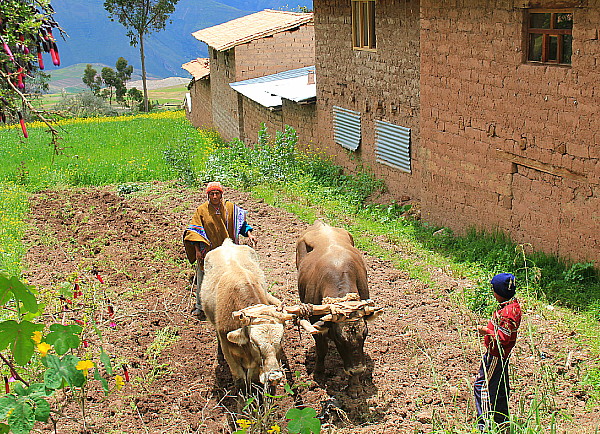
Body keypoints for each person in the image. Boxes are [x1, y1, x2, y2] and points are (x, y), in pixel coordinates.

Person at [183, 181, 257, 318]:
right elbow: (193, 232)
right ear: (208, 196)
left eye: (217, 193)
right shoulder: (202, 211)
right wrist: (198, 251)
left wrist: (250, 234)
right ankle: (200, 306)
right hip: (209, 251)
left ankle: (231, 304)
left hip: (228, 251)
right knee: (203, 277)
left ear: (221, 194)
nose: (215, 196)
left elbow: (242, 225)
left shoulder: (230, 209)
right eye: (212, 194)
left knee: (232, 277)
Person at [473, 272, 522, 433]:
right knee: (500, 390)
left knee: (482, 387)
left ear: (499, 292)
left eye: (494, 290)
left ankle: (485, 426)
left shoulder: (507, 314)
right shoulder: (512, 307)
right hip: (501, 356)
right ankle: (503, 425)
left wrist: (486, 331)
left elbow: (502, 339)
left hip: (496, 355)